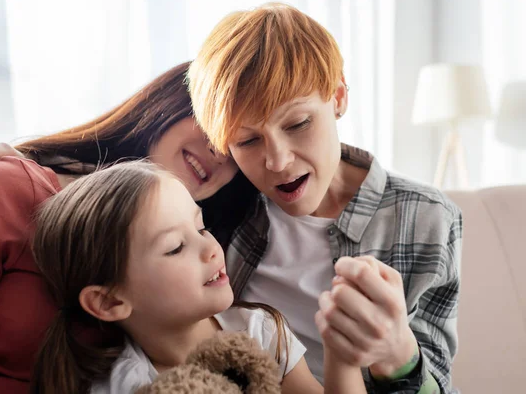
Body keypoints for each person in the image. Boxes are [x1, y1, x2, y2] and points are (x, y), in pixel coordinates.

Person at [188, 3, 463, 393]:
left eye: (298, 123)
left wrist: (399, 355)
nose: (278, 161)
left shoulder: (427, 218)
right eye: (248, 140)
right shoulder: (220, 206)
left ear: (337, 97)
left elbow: (437, 383)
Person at [0, 62, 255, 394]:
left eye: (239, 147)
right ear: (170, 102)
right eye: (211, 124)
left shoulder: (201, 293)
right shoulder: (11, 187)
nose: (219, 153)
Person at [30, 161, 368, 394]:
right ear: (110, 301)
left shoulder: (260, 333)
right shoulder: (123, 384)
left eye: (201, 227)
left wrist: (343, 356)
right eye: (176, 247)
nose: (210, 248)